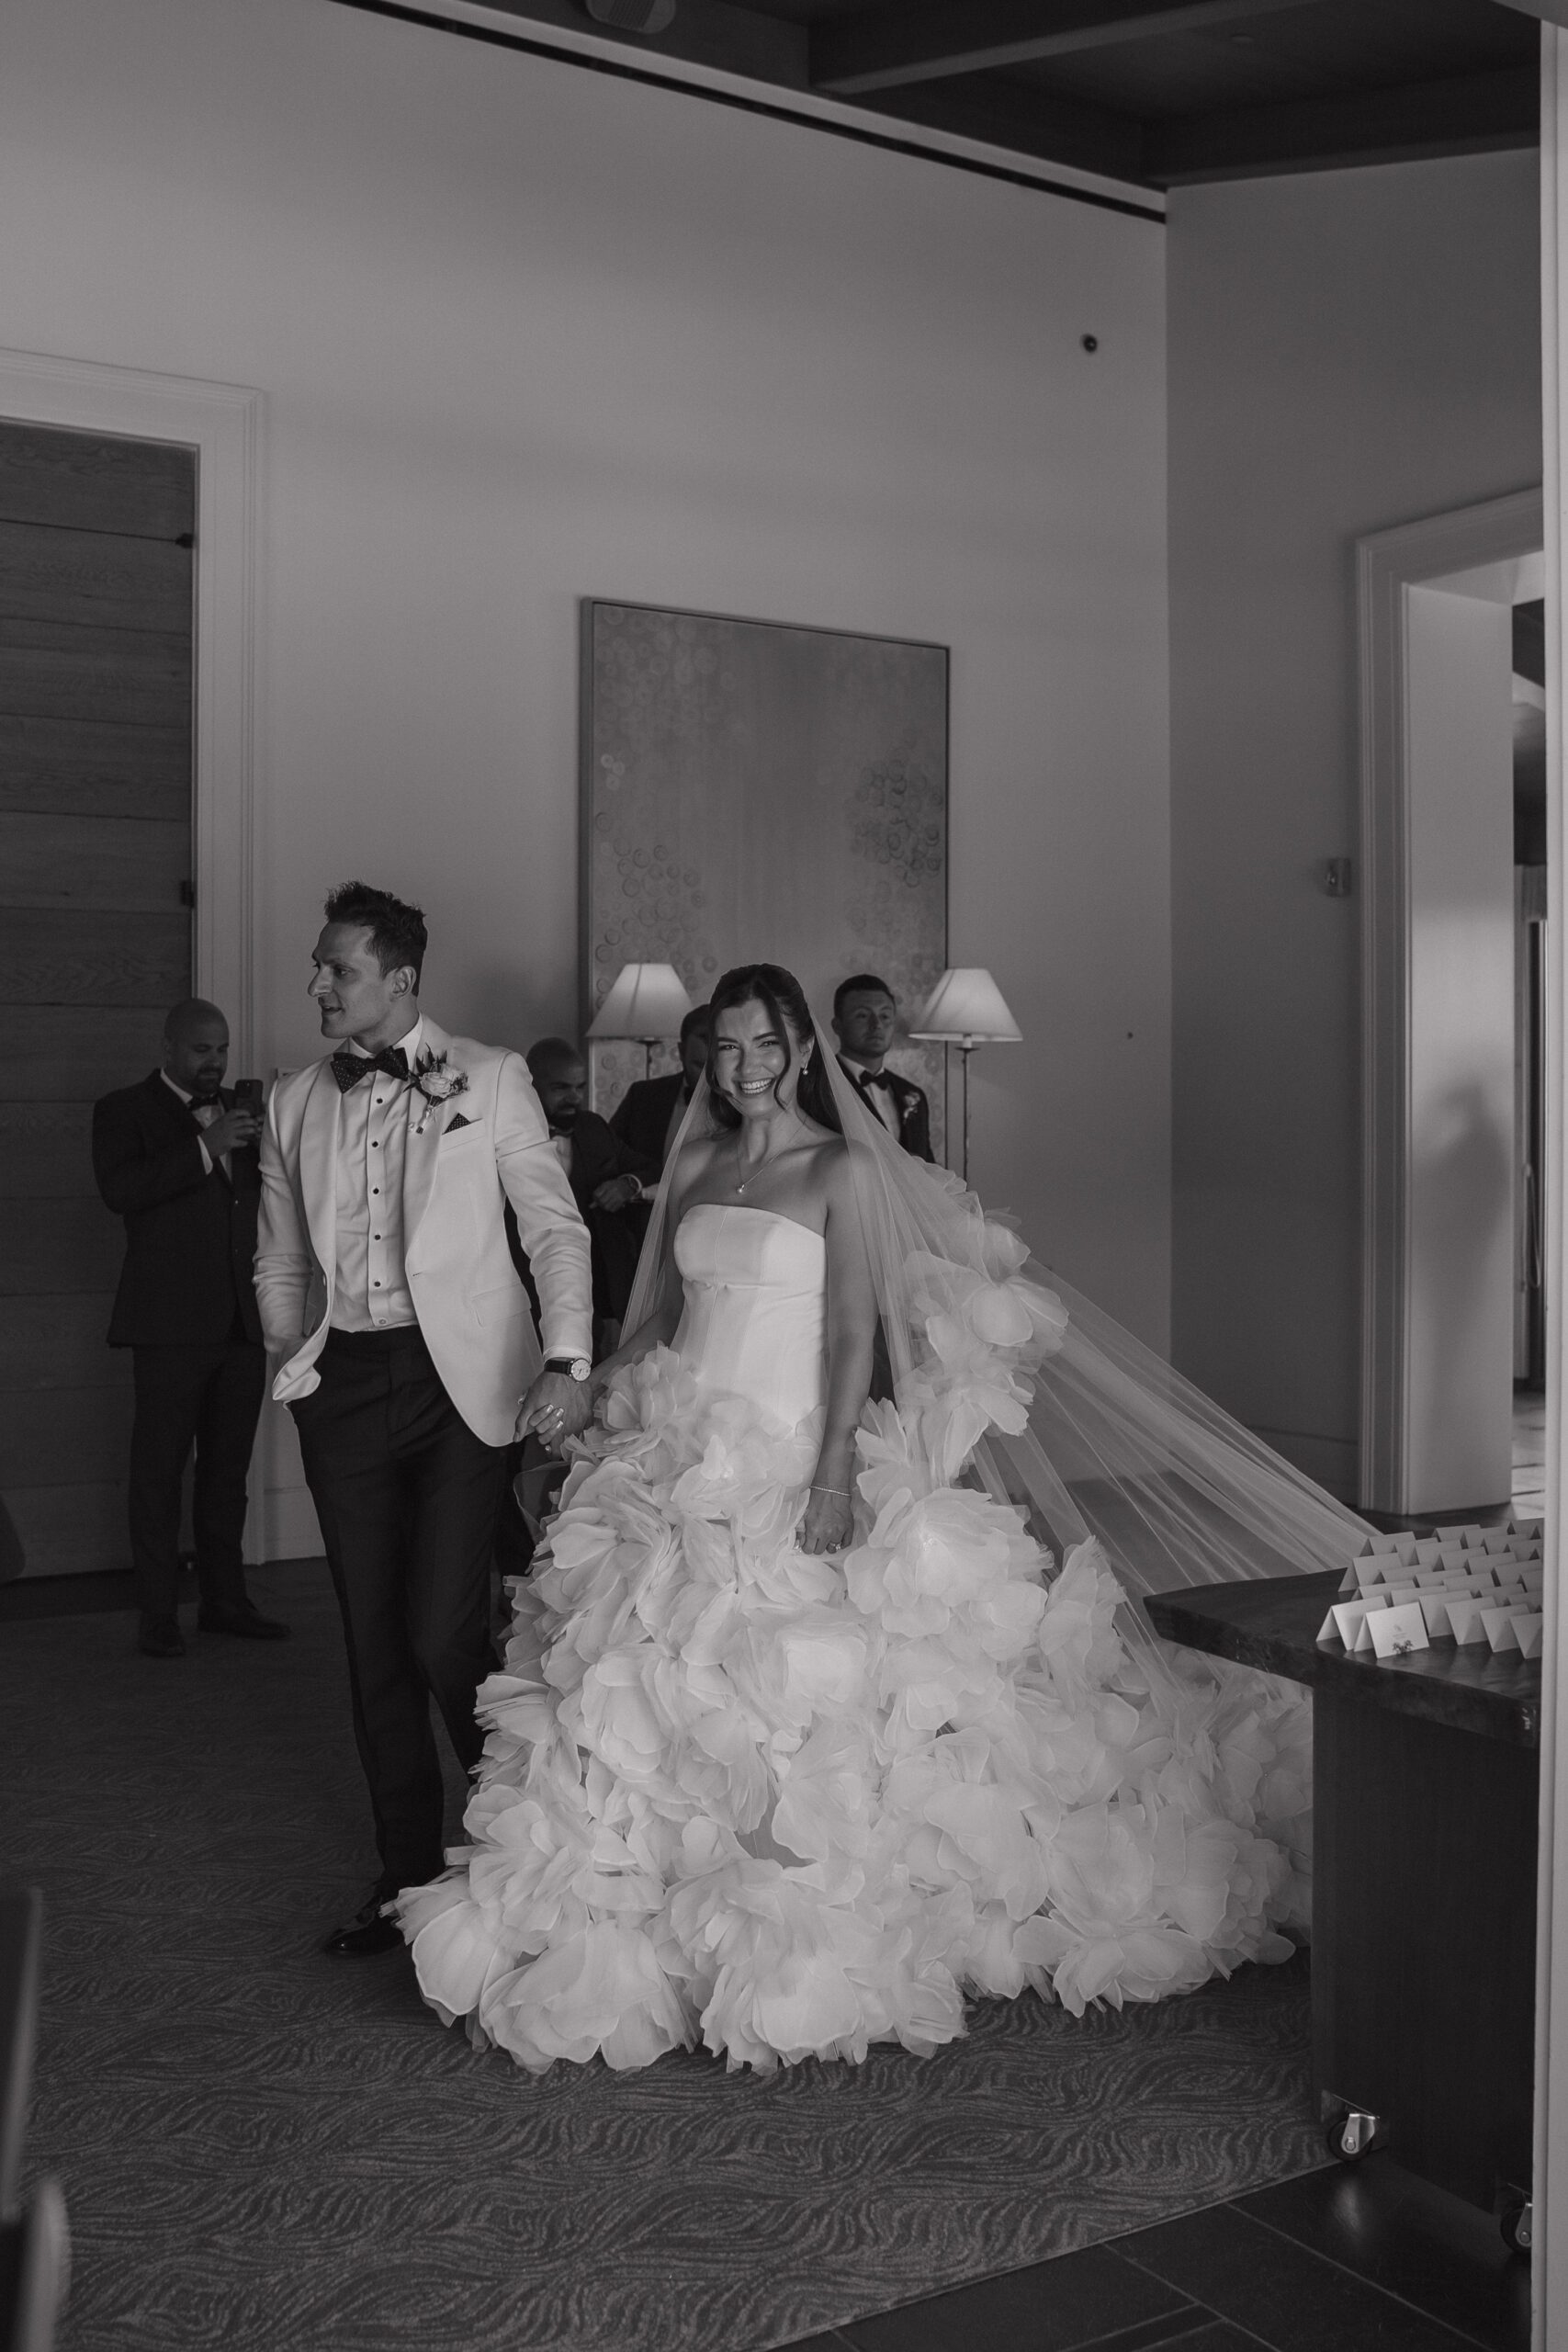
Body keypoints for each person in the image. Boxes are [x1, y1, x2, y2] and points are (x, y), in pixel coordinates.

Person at [398, 962, 1361, 2075]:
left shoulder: (841, 1169)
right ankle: (645, 1910)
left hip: (786, 1449)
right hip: (677, 1451)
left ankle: (791, 1919)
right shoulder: (699, 1159)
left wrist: (830, 1477)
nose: (747, 1069)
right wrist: (592, 1383)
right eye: (728, 1047)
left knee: (781, 1694)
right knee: (635, 1677)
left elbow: (850, 1329)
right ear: (705, 1052)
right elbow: (662, 1308)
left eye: (768, 1047)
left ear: (803, 1052)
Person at [254, 883, 595, 1958]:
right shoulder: (291, 1099)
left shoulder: (489, 1080)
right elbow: (279, 1255)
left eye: (338, 970)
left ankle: (512, 1850)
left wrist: (567, 1357)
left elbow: (554, 1227)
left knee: (444, 1627)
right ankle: (405, 1876)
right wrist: (290, 1356)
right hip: (344, 1383)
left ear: (400, 981)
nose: (317, 984)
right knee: (370, 1639)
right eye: (318, 966)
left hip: (463, 1385)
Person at [92, 998, 288, 1660]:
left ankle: (225, 1603)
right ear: (170, 1048)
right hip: (169, 1325)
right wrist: (204, 1146)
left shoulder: (244, 1110)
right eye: (202, 1049)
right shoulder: (123, 1110)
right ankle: (157, 1616)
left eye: (222, 1050)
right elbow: (122, 1189)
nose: (214, 1062)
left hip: (240, 1321)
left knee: (226, 1473)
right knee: (158, 1472)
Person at [524, 1038, 656, 1342]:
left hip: (597, 1284)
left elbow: (651, 1166)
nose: (574, 1098)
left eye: (580, 1088)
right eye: (560, 1089)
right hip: (530, 1284)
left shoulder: (593, 1127)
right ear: (530, 1086)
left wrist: (626, 1185)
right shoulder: (508, 1134)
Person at [607, 1002, 712, 1185]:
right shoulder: (643, 1096)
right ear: (681, 1051)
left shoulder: (742, 1104)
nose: (708, 1077)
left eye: (715, 1067)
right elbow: (609, 1154)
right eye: (699, 1066)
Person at [831, 973, 933, 1159]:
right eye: (862, 1015)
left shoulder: (913, 1094)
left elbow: (928, 1167)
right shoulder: (820, 1086)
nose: (876, 1024)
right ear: (837, 1025)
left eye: (884, 1015)